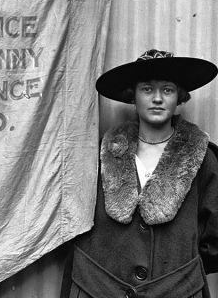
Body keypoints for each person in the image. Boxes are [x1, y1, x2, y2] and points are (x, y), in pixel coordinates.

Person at [61, 49, 218, 298]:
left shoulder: (203, 158)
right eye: (147, 89)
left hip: (176, 291)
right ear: (133, 96)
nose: (157, 98)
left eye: (167, 90)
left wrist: (177, 271)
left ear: (179, 97)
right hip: (99, 289)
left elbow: (213, 240)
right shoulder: (99, 155)